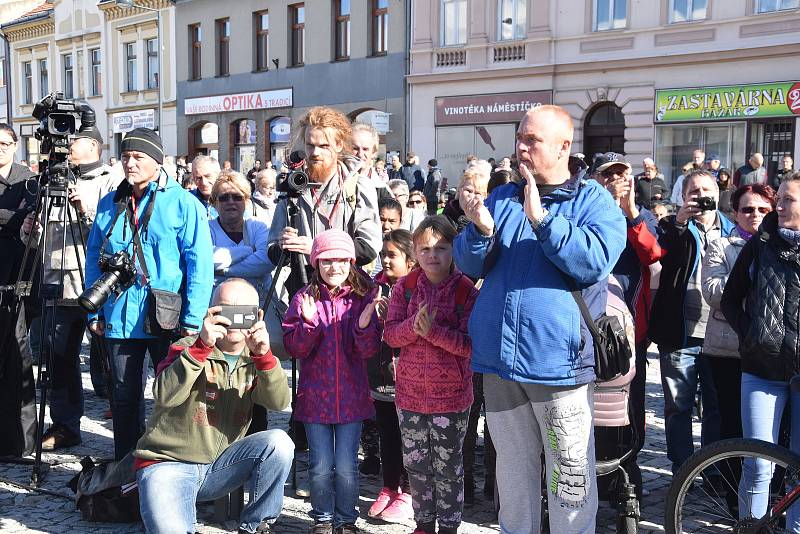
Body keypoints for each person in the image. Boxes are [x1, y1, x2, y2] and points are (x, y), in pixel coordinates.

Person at [453, 105, 627, 533]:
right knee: (512, 476)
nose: (521, 148)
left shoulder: (595, 201)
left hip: (558, 365)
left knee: (569, 478)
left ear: (564, 146)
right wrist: (478, 230)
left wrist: (544, 222)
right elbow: (469, 265)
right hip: (500, 364)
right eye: (520, 138)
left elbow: (593, 262)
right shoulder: (502, 196)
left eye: (532, 140)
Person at [85, 128, 214, 459]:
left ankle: (171, 463)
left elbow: (200, 264)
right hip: (118, 316)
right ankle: (126, 468)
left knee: (174, 396)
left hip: (167, 317)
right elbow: (94, 259)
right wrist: (94, 311)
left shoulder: (183, 203)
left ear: (158, 161)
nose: (130, 163)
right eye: (126, 156)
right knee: (124, 398)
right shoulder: (109, 204)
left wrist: (193, 318)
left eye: (139, 157)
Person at [134, 278, 293, 534]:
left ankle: (257, 526)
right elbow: (164, 395)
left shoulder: (255, 356)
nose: (233, 319)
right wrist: (201, 347)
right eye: (225, 310)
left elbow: (279, 402)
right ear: (211, 312)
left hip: (221, 465)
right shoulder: (186, 347)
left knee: (280, 442)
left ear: (257, 316)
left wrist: (264, 356)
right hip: (168, 463)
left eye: (244, 312)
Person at [21, 128, 122, 450]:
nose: (65, 147)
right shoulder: (52, 181)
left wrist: (84, 209)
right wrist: (30, 231)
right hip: (58, 281)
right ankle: (65, 425)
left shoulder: (111, 179)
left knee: (112, 360)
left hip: (97, 284)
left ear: (92, 145)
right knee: (59, 359)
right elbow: (41, 240)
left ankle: (123, 429)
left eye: (73, 140)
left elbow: (115, 237)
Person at [282, 229, 383, 534]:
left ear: (351, 262)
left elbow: (368, 350)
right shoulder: (303, 298)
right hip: (315, 400)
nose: (334, 267)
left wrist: (365, 324)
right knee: (321, 465)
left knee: (348, 466)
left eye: (341, 260)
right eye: (326, 261)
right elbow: (294, 348)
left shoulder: (361, 298)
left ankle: (347, 519)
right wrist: (310, 324)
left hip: (351, 398)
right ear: (316, 263)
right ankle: (324, 518)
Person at [384, 216, 478, 534]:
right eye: (425, 248)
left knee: (449, 468)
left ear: (454, 250)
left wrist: (434, 332)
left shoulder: (466, 291)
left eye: (441, 248)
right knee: (417, 466)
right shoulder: (406, 287)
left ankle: (449, 525)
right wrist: (414, 327)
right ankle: (423, 523)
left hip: (451, 399)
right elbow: (391, 336)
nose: (432, 255)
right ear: (414, 250)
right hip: (410, 396)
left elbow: (470, 346)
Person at [721, 172, 800, 527]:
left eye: (788, 200)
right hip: (761, 371)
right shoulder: (759, 243)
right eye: (780, 198)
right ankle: (751, 528)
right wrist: (751, 337)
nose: (779, 206)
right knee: (757, 462)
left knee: (799, 467)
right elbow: (730, 299)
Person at [649, 169, 735, 475]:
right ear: (683, 197)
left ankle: (711, 470)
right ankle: (682, 470)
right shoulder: (671, 229)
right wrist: (681, 222)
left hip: (721, 336)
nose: (700, 197)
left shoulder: (731, 230)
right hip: (680, 333)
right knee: (678, 407)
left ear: (718, 194)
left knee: (716, 407)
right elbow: (663, 253)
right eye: (693, 192)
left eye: (706, 190)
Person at [591, 152, 665, 499]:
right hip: (585, 332)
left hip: (629, 335)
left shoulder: (640, 218)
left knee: (630, 411)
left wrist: (630, 210)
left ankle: (626, 474)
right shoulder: (585, 214)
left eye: (620, 175)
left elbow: (653, 254)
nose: (614, 182)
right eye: (607, 176)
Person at [267, 106, 382, 297]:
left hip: (348, 292)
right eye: (310, 145)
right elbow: (272, 254)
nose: (315, 153)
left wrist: (317, 248)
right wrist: (282, 246)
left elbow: (369, 249)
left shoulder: (358, 185)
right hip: (303, 290)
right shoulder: (293, 186)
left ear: (338, 145)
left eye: (324, 146)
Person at [703, 184, 775, 454]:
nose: (754, 214)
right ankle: (729, 487)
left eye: (762, 209)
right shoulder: (720, 245)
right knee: (730, 422)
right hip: (727, 348)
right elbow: (712, 292)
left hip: (770, 348)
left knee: (766, 428)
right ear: (735, 213)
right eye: (747, 209)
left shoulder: (781, 247)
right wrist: (751, 282)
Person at [365, 230, 415, 524]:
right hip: (380, 373)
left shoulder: (416, 288)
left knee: (409, 436)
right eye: (383, 254)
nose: (384, 259)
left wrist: (392, 320)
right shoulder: (376, 287)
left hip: (409, 376)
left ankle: (409, 493)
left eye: (392, 255)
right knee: (388, 434)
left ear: (410, 260)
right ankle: (389, 486)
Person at [0, 123, 38, 457]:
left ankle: (20, 441)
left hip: (17, 277)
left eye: (5, 143)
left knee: (18, 355)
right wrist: (12, 218)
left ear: (15, 146)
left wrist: (11, 220)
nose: (0, 148)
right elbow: (18, 219)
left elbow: (29, 220)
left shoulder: (28, 179)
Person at [210, 171, 271, 301]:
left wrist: (222, 271)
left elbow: (265, 262)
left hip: (258, 304)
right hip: (216, 304)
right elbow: (207, 260)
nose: (230, 202)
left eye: (237, 197)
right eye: (224, 197)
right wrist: (249, 250)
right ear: (214, 203)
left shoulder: (259, 227)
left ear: (247, 201)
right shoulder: (205, 229)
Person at [443, 161, 490, 234]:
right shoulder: (447, 214)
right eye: (468, 190)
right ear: (460, 190)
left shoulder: (487, 219)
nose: (472, 196)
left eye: (478, 193)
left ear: (484, 197)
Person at [351, 123, 391, 200]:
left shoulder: (383, 191)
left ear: (374, 152)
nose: (360, 154)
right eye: (355, 148)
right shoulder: (335, 185)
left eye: (365, 149)